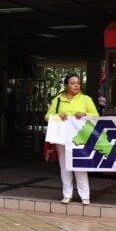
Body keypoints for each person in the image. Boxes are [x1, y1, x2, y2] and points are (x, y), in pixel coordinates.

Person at [46, 73, 98, 205]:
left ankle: (85, 196)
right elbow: (47, 116)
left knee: (80, 165)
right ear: (66, 85)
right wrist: (58, 115)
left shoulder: (86, 99)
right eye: (73, 83)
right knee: (64, 165)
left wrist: (85, 114)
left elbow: (96, 115)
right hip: (62, 137)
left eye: (78, 83)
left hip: (80, 137)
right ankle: (67, 194)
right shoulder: (57, 99)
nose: (76, 85)